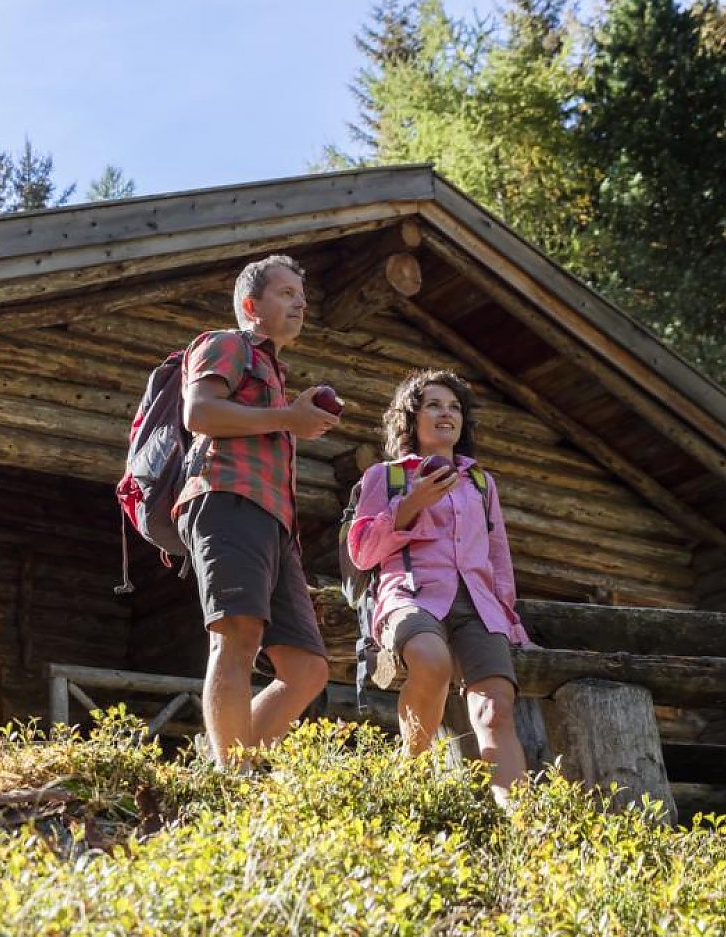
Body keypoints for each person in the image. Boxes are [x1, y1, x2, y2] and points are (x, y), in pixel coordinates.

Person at [175, 255, 339, 769]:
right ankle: (231, 778)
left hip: (274, 522)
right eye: (286, 293)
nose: (301, 302)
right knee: (238, 636)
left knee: (308, 668)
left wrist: (290, 414)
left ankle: (231, 766)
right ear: (251, 305)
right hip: (227, 498)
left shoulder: (273, 369)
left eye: (301, 294)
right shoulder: (227, 344)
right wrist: (287, 417)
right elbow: (198, 413)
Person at [347, 369, 529, 804]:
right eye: (433, 405)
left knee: (495, 710)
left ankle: (527, 830)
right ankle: (412, 784)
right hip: (410, 595)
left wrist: (511, 622)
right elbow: (363, 553)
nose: (446, 414)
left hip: (480, 607)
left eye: (454, 407)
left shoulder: (482, 484)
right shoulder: (385, 477)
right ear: (411, 418)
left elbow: (498, 560)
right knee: (432, 661)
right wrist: (410, 505)